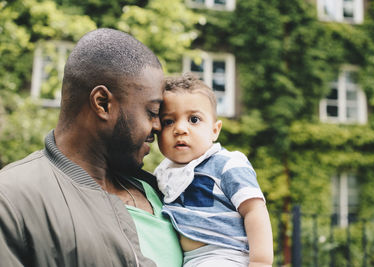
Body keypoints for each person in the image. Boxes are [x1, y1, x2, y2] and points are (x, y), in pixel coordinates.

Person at [0, 28, 182, 267]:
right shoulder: (11, 199)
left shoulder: (167, 191)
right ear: (103, 103)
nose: (159, 126)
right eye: (152, 113)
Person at [154, 73, 274, 267]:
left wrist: (260, 262)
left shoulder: (226, 163)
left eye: (193, 119)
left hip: (226, 255)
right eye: (169, 121)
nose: (180, 129)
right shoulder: (162, 174)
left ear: (215, 130)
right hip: (189, 261)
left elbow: (254, 210)